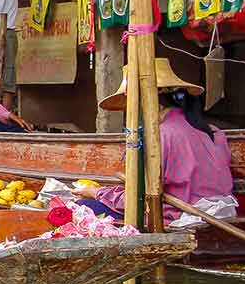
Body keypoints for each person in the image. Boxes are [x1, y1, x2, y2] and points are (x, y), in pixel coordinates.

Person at [73, 58, 234, 222]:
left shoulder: (160, 137)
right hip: (219, 214)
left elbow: (139, 200)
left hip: (181, 217)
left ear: (151, 104)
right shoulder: (213, 132)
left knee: (82, 207)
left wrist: (96, 193)